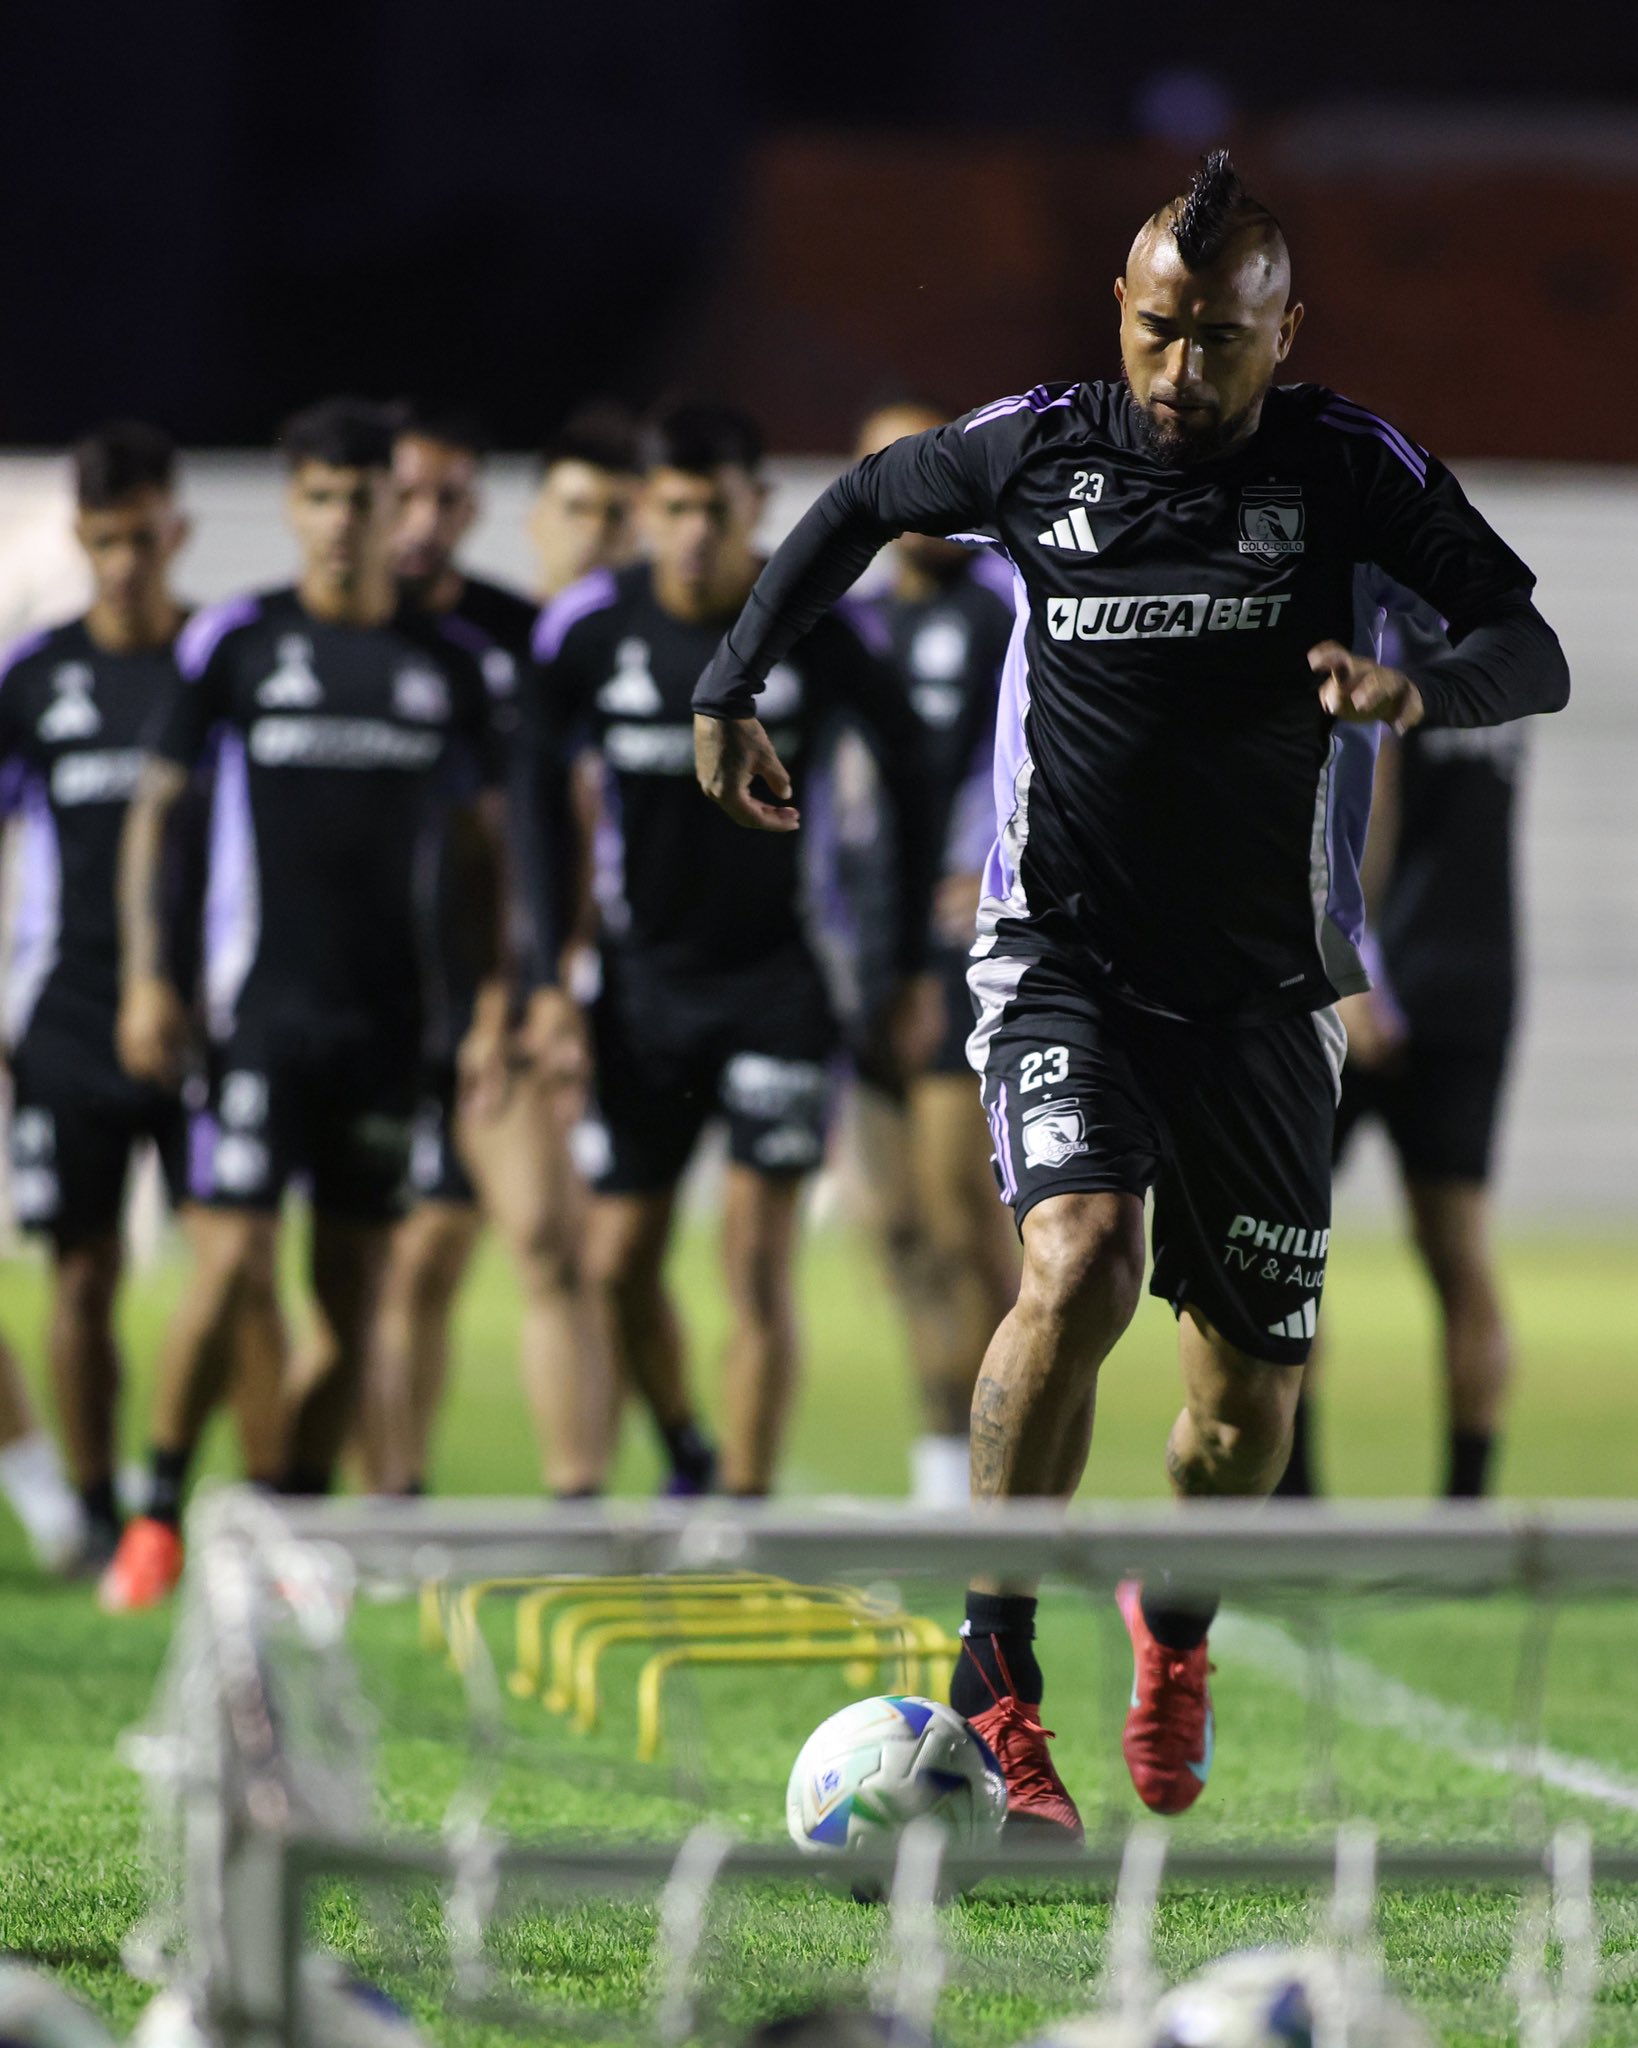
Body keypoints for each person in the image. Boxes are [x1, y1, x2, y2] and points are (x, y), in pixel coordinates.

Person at [692, 150, 1568, 1834]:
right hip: (1059, 958)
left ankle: (1172, 1630)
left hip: (1260, 996)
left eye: (1220, 343)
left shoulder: (1346, 466)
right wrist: (734, 682)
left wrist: (1414, 685)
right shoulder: (1044, 443)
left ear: (1281, 330)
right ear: (1120, 305)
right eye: (1158, 331)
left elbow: (1528, 642)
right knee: (1076, 1250)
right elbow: (863, 502)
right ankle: (993, 1677)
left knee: (1235, 1416)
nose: (1182, 374)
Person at [100, 397, 512, 1611]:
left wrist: (490, 1001)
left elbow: (490, 856)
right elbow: (156, 817)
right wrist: (145, 972)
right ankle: (157, 1513)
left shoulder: (445, 669)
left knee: (353, 1298)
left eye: (365, 500)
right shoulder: (239, 644)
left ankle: (292, 1524)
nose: (343, 522)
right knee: (228, 1267)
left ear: (399, 510)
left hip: (388, 1032)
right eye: (323, 500)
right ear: (294, 508)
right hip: (262, 1019)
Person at [519, 402, 936, 1498]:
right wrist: (541, 983)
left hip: (777, 991)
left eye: (718, 507)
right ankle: (690, 1451)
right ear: (644, 512)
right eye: (674, 508)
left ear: (756, 505)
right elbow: (530, 804)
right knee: (614, 1267)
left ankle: (743, 1517)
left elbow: (918, 769)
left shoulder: (813, 624)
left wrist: (903, 971)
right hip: (638, 995)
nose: (696, 531)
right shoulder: (587, 631)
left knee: (755, 1263)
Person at [365, 403, 615, 1498]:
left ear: (475, 509)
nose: (422, 521)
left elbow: (558, 828)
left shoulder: (521, 641)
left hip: (495, 1003)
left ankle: (580, 1511)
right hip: (359, 1004)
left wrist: (532, 984)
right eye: (403, 495)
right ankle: (390, 1509)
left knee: (551, 1243)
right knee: (397, 1262)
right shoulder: (288, 640)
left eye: (446, 498)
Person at [1277, 570, 1526, 1501]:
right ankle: (1467, 1505)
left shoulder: (1388, 653)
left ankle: (1293, 1496)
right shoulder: (1493, 668)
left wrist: (1352, 966)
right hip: (1480, 983)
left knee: (1287, 1241)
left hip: (1374, 990)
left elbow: (1371, 808)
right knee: (1460, 1253)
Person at [0, 422, 199, 1569]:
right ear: (80, 536)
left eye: (143, 536)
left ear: (175, 529)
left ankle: (207, 1499)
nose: (125, 558)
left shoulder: (216, 659)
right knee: (81, 1270)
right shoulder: (35, 679)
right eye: (103, 537)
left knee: (234, 1262)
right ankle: (87, 1508)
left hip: (201, 1013)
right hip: (67, 1010)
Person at [839, 400, 1021, 1504]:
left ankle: (1014, 1443)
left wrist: (1000, 865)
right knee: (896, 1223)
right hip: (867, 949)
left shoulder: (1006, 607)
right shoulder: (855, 624)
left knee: (962, 1213)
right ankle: (937, 1457)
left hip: (964, 949)